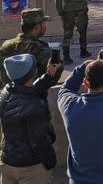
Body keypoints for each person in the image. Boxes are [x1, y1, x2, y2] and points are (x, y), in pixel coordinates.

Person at [0, 54, 60, 183]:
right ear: (32, 73)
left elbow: (29, 90)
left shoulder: (6, 92)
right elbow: (39, 142)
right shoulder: (34, 106)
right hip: (30, 168)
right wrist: (50, 162)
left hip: (8, 161)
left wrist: (49, 75)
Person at [55, 0, 103, 64]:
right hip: (81, 10)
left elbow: (57, 0)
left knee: (67, 35)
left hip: (68, 12)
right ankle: (83, 51)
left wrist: (61, 12)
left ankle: (66, 57)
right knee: (82, 32)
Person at [0, 9, 55, 87]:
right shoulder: (42, 49)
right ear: (36, 27)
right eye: (43, 23)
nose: (45, 27)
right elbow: (50, 80)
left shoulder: (6, 45)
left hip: (7, 95)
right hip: (32, 96)